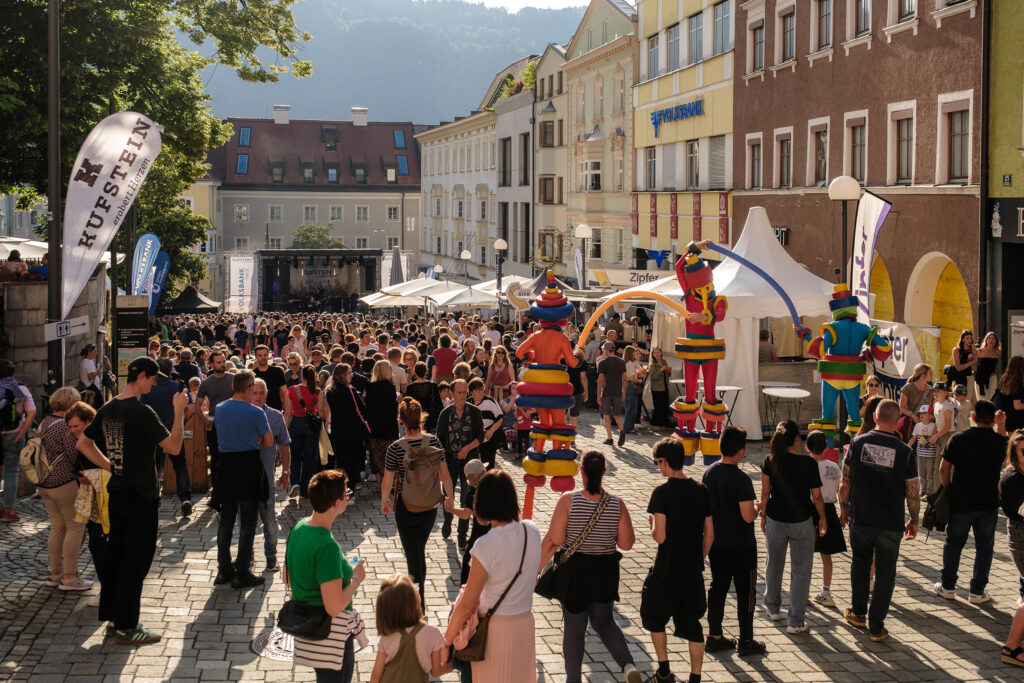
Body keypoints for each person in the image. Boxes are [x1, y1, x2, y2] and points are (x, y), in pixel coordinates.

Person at [76, 357, 186, 645]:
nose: (154, 383)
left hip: (119, 493)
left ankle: (115, 619)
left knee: (118, 556)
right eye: (153, 378)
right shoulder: (142, 411)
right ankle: (127, 626)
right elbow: (174, 447)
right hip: (141, 495)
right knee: (135, 561)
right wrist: (179, 411)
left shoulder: (109, 407)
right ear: (142, 377)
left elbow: (83, 443)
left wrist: (109, 466)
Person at [538, 450, 641, 683]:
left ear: (580, 470)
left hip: (574, 575)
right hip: (605, 573)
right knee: (604, 622)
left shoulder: (568, 500)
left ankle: (573, 680)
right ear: (604, 472)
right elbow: (626, 543)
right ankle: (628, 665)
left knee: (574, 630)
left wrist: (536, 569)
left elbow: (554, 539)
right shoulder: (617, 504)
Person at [442, 469, 541, 683]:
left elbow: (468, 604)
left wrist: (447, 642)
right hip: (524, 626)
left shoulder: (486, 545)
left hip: (494, 632)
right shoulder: (531, 530)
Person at [840, 399, 919, 642]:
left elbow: (845, 483)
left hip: (861, 517)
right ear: (897, 422)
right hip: (890, 521)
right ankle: (876, 626)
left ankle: (858, 612)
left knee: (860, 564)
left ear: (874, 418)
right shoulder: (906, 452)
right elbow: (912, 491)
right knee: (886, 572)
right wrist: (914, 519)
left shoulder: (857, 443)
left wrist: (843, 510)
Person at [641, 436, 713, 683]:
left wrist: (652, 523)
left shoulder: (661, 493)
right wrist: (697, 557)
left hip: (666, 570)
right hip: (692, 571)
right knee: (693, 623)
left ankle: (663, 671)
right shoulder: (701, 490)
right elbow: (710, 534)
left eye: (657, 463)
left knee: (654, 616)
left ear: (664, 462)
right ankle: (695, 677)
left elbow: (659, 537)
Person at [286, 469, 366, 682]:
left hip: (309, 628)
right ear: (337, 503)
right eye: (346, 494)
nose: (348, 496)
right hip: (331, 635)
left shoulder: (299, 527)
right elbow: (334, 606)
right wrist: (356, 579)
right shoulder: (326, 546)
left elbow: (287, 577)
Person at [380, 397, 453, 609]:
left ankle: (418, 606)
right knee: (418, 551)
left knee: (413, 557)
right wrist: (450, 497)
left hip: (406, 506)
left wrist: (384, 501)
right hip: (430, 505)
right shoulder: (434, 442)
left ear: (401, 420)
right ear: (420, 417)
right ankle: (420, 601)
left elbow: (387, 481)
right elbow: (445, 475)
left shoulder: (396, 448)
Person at [935, 399, 1008, 604]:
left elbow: (943, 469)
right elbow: (1004, 450)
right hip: (988, 503)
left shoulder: (958, 439)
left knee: (954, 544)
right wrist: (1001, 425)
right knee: (985, 547)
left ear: (973, 417)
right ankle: (977, 591)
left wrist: (948, 488)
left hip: (961, 500)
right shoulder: (998, 441)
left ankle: (948, 586)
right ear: (992, 419)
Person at [702, 427, 766, 657]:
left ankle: (715, 635)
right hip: (741, 545)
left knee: (718, 588)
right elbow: (748, 515)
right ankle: (746, 640)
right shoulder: (742, 479)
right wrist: (758, 506)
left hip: (717, 542)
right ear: (741, 451)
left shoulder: (709, 473)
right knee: (746, 592)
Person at [759, 420, 826, 634]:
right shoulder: (809, 464)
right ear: (797, 439)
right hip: (801, 520)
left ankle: (772, 607)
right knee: (801, 571)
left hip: (776, 519)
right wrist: (823, 517)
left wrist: (762, 515)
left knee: (774, 564)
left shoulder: (770, 460)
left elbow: (765, 492)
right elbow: (816, 496)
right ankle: (795, 620)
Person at [213, 370, 273, 587]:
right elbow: (267, 441)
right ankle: (242, 571)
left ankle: (223, 569)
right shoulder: (255, 412)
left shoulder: (220, 409)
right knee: (248, 522)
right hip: (248, 465)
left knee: (226, 519)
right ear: (249, 388)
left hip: (226, 465)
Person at [36, 387, 91, 590]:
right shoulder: (64, 426)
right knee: (75, 526)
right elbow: (74, 454)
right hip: (64, 483)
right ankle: (69, 577)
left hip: (45, 484)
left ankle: (54, 573)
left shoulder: (44, 422)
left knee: (58, 527)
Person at [369, 574, 448, 683]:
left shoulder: (387, 637)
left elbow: (375, 676)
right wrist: (450, 666)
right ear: (415, 601)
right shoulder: (432, 633)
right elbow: (435, 672)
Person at [140, 358, 194, 516]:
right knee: (180, 465)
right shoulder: (178, 386)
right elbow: (190, 407)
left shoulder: (150, 387)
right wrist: (182, 421)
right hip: (173, 429)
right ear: (171, 370)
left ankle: (154, 498)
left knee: (154, 467)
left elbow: (143, 408)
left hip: (154, 431)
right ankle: (185, 498)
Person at [437, 379, 484, 547]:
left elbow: (481, 436)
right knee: (448, 495)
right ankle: (448, 519)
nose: (463, 396)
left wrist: (467, 448)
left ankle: (462, 536)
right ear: (452, 393)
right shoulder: (445, 414)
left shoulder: (475, 412)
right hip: (449, 460)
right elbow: (439, 441)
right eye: (460, 392)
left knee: (466, 498)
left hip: (469, 464)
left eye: (465, 392)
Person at [251, 378, 291, 572]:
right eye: (254, 392)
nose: (258, 397)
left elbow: (284, 444)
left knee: (269, 519)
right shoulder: (242, 414)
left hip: (266, 478)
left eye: (261, 393)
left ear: (266, 394)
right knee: (246, 522)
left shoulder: (275, 416)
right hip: (245, 479)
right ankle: (247, 555)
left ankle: (271, 556)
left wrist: (285, 472)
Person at [805, 430, 846, 608]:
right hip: (829, 509)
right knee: (826, 554)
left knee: (804, 554)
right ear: (826, 447)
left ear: (807, 448)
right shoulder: (834, 467)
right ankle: (826, 591)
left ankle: (803, 590)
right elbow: (839, 490)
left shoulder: (806, 466)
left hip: (810, 509)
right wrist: (843, 512)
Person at [0, 358, 36, 522]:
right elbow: (32, 412)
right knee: (11, 471)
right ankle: (8, 510)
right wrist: (22, 432)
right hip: (14, 435)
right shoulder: (20, 388)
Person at [1000, 431, 1024, 667]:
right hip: (1021, 539)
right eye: (1023, 451)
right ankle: (1011, 646)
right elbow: (1019, 511)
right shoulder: (1011, 479)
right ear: (1014, 454)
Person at [324, 364, 370, 487]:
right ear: (343, 375)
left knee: (341, 459)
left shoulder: (329, 392)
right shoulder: (350, 391)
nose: (352, 375)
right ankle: (351, 487)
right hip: (352, 429)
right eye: (350, 373)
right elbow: (362, 408)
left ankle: (343, 486)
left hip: (337, 429)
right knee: (352, 459)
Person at [287, 365, 326, 498]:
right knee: (309, 458)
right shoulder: (317, 391)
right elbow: (321, 413)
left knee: (295, 455)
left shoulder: (292, 390)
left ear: (301, 375)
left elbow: (287, 412)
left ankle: (294, 482)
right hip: (311, 425)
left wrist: (285, 428)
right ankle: (305, 490)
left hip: (295, 423)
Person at [196, 351, 235, 484]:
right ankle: (216, 489)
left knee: (232, 456)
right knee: (215, 456)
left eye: (224, 362)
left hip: (233, 423)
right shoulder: (206, 383)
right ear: (211, 364)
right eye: (218, 362)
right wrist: (204, 419)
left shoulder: (233, 378)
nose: (222, 364)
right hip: (214, 424)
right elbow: (197, 405)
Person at [365, 360, 400, 493]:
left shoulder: (370, 386)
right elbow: (392, 409)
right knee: (389, 457)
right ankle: (388, 484)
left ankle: (379, 485)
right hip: (389, 426)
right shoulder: (390, 387)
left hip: (374, 426)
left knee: (376, 457)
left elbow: (368, 408)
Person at [468, 378, 503, 471]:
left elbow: (500, 418)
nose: (480, 392)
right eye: (477, 390)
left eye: (482, 389)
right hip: (474, 438)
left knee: (488, 465)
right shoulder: (468, 403)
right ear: (471, 392)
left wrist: (491, 431)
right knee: (473, 465)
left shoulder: (490, 401)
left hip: (489, 437)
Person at [597, 341, 627, 447]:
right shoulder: (621, 361)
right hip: (618, 391)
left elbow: (600, 380)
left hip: (606, 392)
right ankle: (622, 430)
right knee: (617, 414)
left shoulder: (603, 363)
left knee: (606, 415)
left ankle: (610, 438)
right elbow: (625, 379)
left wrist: (598, 394)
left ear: (606, 350)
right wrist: (624, 391)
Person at [253, 344, 290, 417]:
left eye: (265, 355)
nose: (263, 357)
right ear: (256, 357)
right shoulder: (252, 374)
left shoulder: (278, 371)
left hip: (276, 411)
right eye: (260, 355)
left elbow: (285, 393)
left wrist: (286, 413)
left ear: (268, 355)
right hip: (258, 412)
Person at [897, 363, 933, 439]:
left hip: (926, 426)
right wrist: (913, 416)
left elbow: (933, 407)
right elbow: (902, 408)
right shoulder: (908, 388)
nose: (932, 375)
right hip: (911, 425)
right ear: (923, 375)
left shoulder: (931, 390)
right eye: (930, 373)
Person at [910, 405, 938, 495]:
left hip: (931, 455)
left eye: (925, 413)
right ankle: (922, 490)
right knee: (921, 473)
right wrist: (907, 447)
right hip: (920, 454)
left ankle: (929, 491)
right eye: (920, 413)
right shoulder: (917, 426)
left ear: (931, 416)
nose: (921, 415)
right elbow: (913, 438)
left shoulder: (934, 426)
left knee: (930, 474)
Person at [996, 356, 1024, 433]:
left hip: (1008, 418)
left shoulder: (1005, 380)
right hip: (1018, 420)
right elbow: (1017, 406)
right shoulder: (1018, 384)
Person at [948, 330, 978, 399]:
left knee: (967, 399)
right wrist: (970, 361)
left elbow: (975, 369)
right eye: (967, 338)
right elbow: (958, 367)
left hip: (968, 378)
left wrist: (972, 360)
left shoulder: (974, 350)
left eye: (971, 338)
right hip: (958, 377)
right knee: (956, 399)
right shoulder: (956, 350)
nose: (970, 340)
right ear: (962, 339)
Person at [648, 347, 672, 430]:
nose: (657, 354)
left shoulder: (664, 362)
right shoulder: (652, 365)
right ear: (653, 355)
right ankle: (653, 425)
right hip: (657, 388)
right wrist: (661, 370)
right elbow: (653, 377)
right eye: (655, 353)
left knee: (664, 406)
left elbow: (667, 375)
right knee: (658, 407)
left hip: (665, 386)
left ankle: (662, 425)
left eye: (658, 352)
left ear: (661, 353)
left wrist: (668, 372)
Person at [622, 346, 644, 435]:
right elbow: (631, 378)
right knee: (630, 407)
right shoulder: (630, 364)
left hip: (627, 385)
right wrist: (639, 381)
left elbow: (641, 370)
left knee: (629, 406)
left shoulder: (628, 362)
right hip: (631, 385)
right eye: (635, 353)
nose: (636, 354)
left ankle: (628, 426)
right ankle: (628, 427)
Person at [976, 331, 1001, 402]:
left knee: (990, 398)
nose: (991, 340)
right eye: (989, 338)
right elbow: (974, 364)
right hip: (981, 378)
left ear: (996, 341)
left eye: (993, 339)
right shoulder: (979, 351)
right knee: (983, 399)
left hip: (992, 378)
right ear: (986, 340)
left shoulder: (998, 352)